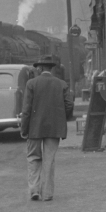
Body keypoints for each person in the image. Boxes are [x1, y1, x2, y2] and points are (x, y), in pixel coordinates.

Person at [20, 55, 73, 201]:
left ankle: (34, 190)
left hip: (34, 129)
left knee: (33, 158)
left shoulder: (31, 84)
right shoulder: (61, 84)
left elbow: (26, 110)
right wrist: (61, 117)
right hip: (54, 128)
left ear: (41, 68)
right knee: (49, 160)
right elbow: (69, 105)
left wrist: (24, 129)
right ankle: (48, 193)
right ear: (51, 69)